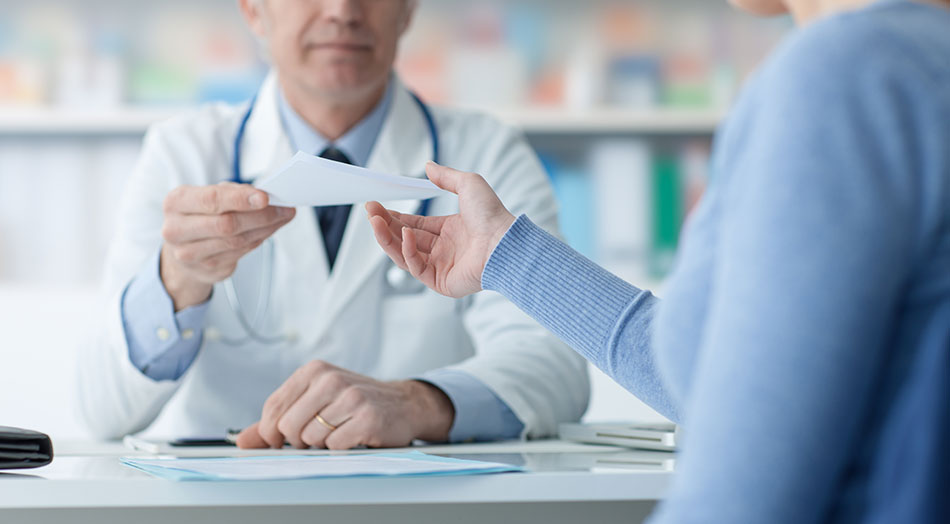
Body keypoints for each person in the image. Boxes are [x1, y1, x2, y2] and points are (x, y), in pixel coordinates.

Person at [367, 0, 950, 521]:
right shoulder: (912, 61)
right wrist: (503, 254)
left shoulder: (843, 79)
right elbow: (720, 383)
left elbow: (743, 492)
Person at [76, 0, 590, 450]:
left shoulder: (488, 153)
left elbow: (558, 364)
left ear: (408, 8)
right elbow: (101, 409)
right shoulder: (182, 155)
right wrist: (176, 282)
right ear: (254, 10)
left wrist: (417, 403)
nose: (343, 10)